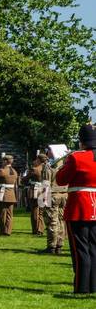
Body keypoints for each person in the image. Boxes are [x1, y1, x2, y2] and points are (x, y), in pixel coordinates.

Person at [55, 124, 96, 293]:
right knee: (94, 249)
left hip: (79, 207)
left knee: (80, 250)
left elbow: (61, 179)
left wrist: (64, 164)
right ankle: (93, 286)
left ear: (82, 141)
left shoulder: (76, 157)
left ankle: (81, 287)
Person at [43, 147, 69, 257]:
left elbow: (45, 183)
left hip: (53, 194)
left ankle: (51, 246)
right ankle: (60, 245)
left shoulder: (49, 166)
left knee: (52, 220)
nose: (47, 152)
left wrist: (43, 199)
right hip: (65, 194)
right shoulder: (66, 164)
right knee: (62, 220)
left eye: (49, 150)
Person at [0, 155, 18, 236]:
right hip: (11, 195)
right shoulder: (14, 171)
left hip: (2, 194)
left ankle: (2, 231)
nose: (2, 162)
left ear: (6, 161)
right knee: (10, 214)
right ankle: (8, 231)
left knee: (1, 213)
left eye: (3, 161)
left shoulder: (1, 171)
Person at [26, 151, 48, 236]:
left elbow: (25, 179)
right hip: (44, 190)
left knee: (35, 211)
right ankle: (41, 229)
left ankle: (36, 229)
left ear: (38, 160)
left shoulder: (34, 169)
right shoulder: (47, 169)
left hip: (36, 191)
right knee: (41, 212)